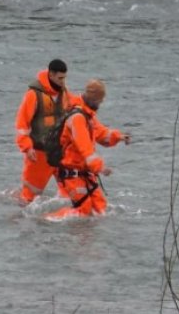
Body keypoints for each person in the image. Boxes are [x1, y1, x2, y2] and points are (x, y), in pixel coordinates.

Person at [47, 79, 131, 219]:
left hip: (85, 172)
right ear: (94, 98)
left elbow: (101, 133)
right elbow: (84, 147)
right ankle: (47, 220)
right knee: (83, 210)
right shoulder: (78, 118)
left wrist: (119, 137)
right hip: (71, 173)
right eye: (100, 100)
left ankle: (91, 238)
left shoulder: (88, 115)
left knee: (101, 208)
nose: (101, 103)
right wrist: (100, 168)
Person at [15, 59, 76, 204]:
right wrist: (27, 147)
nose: (63, 81)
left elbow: (76, 108)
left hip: (60, 151)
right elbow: (22, 124)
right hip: (39, 152)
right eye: (60, 78)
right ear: (51, 75)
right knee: (28, 197)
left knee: (71, 193)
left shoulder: (65, 93)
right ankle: (22, 223)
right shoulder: (33, 95)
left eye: (64, 78)